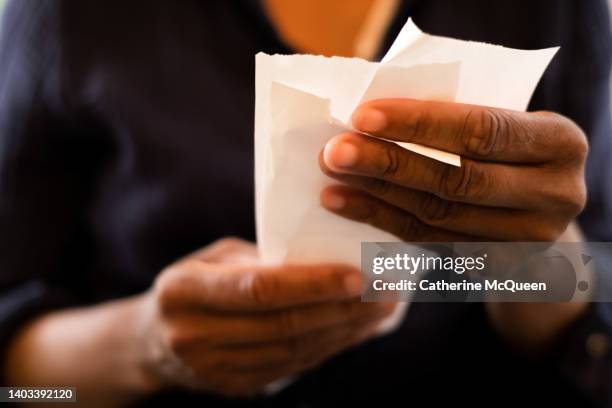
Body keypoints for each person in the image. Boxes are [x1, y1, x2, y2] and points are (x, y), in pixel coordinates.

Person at [0, 0, 611, 406]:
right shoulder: (71, 17)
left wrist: (529, 256)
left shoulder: (547, 9)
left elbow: (593, 332)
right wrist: (145, 346)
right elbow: (18, 388)